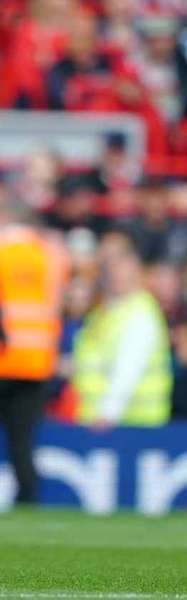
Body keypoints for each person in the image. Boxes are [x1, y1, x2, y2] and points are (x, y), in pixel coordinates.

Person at [0, 197, 67, 504]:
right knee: (22, 441)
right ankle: (27, 499)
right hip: (38, 361)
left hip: (4, 358)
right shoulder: (51, 256)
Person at [72, 233, 172, 427]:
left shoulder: (140, 312)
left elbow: (129, 368)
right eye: (109, 264)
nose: (114, 271)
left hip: (130, 424)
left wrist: (108, 414)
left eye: (120, 263)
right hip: (95, 419)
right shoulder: (103, 311)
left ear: (136, 268)